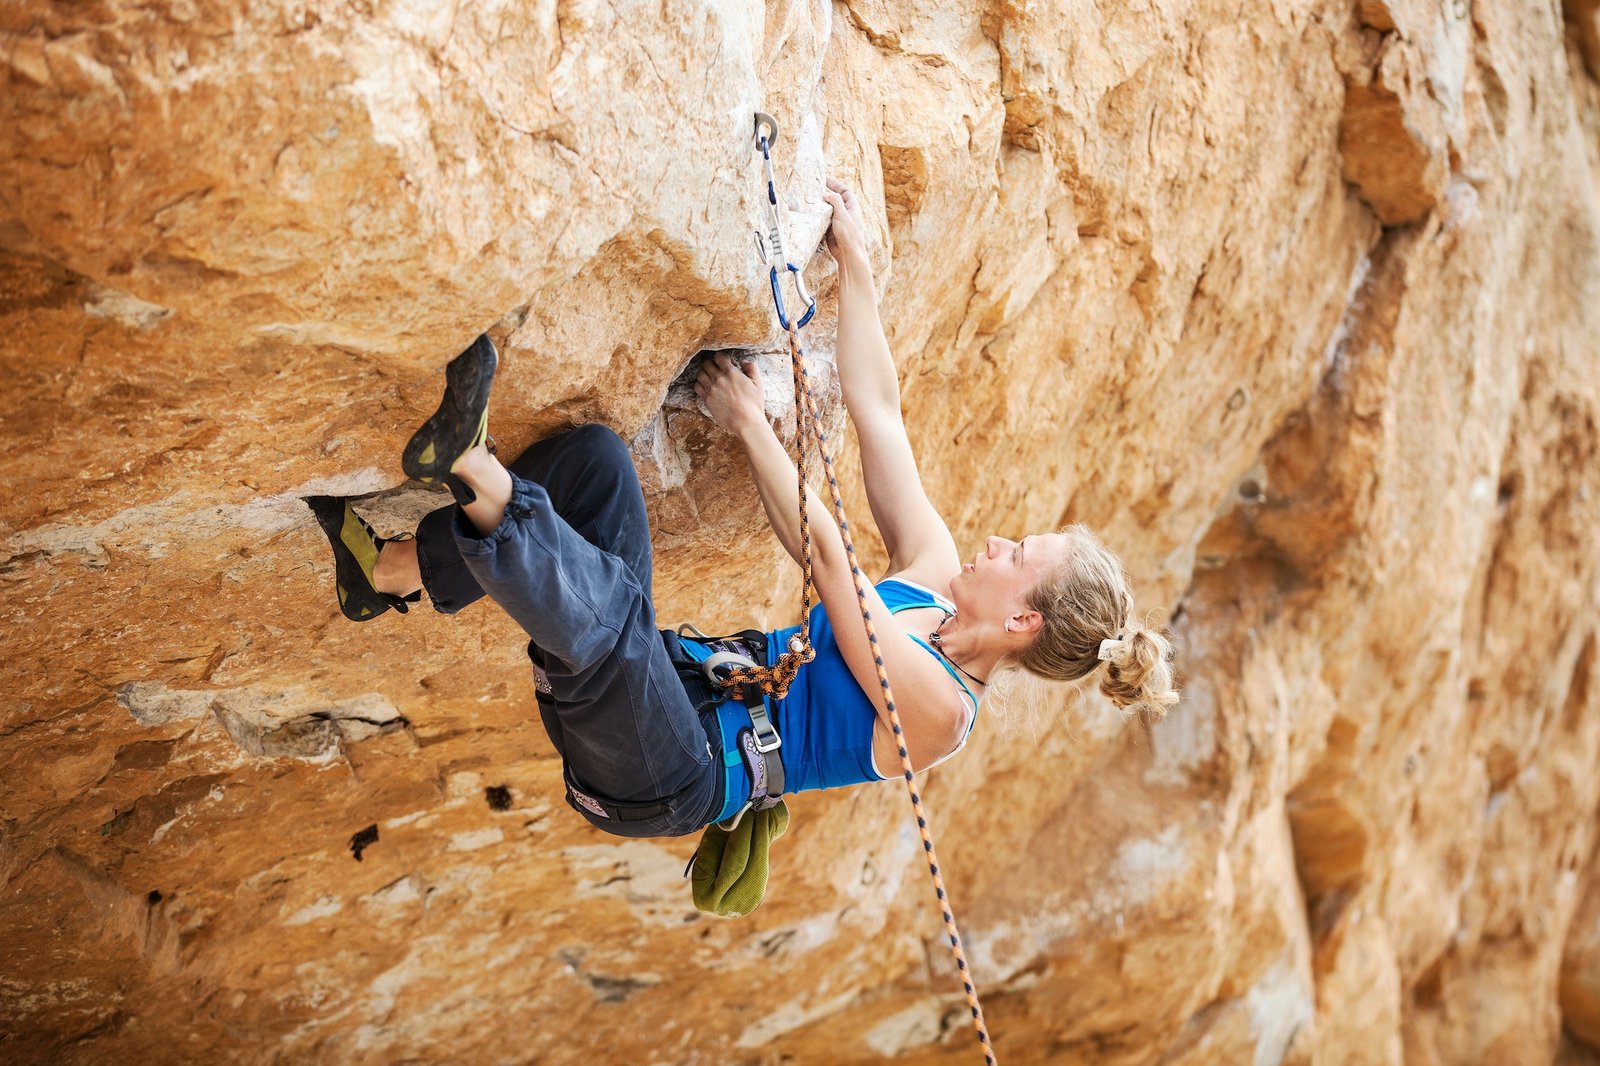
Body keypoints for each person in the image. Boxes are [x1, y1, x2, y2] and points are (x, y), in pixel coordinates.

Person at [306, 178, 1178, 840]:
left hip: (671, 771)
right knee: (596, 467)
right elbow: (881, 417)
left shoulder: (942, 714)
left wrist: (752, 425)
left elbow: (831, 567)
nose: (995, 540)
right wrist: (860, 272)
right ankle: (386, 572)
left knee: (607, 620)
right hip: (671, 688)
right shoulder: (935, 581)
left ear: (1026, 617)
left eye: (1020, 549)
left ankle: (466, 459)